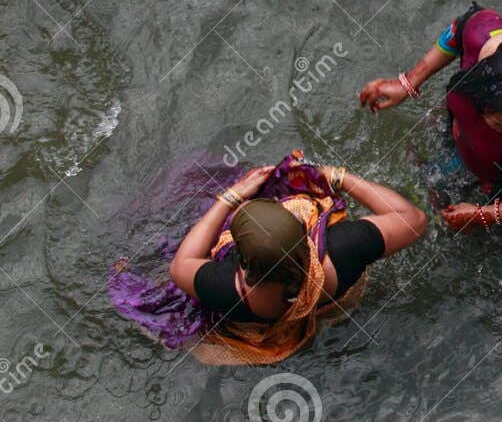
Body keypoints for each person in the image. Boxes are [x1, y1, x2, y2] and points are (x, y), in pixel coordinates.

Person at [163, 152, 427, 364]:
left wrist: (232, 197)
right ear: (306, 235)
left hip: (258, 334)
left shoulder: (226, 290)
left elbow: (180, 265)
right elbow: (413, 219)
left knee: (194, 177)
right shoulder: (343, 251)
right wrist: (336, 177)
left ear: (241, 261)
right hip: (332, 300)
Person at [359, 4, 502, 229]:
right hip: (470, 143)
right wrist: (407, 83)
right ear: (481, 102)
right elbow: (457, 31)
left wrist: (484, 215)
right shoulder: (483, 33)